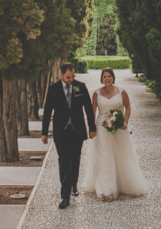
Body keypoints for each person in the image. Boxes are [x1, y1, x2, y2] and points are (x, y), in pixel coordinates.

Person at [80, 67, 148, 201]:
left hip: (118, 126)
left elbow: (128, 107)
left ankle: (123, 183)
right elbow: (92, 112)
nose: (107, 79)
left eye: (109, 76)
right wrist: (92, 128)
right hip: (102, 127)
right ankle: (106, 190)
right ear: (101, 79)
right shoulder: (96, 94)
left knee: (121, 154)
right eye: (105, 77)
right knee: (105, 157)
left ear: (113, 78)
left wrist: (125, 122)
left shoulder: (121, 91)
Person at [41, 62, 96, 209]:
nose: (70, 79)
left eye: (72, 77)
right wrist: (44, 132)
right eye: (68, 77)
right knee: (64, 160)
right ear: (61, 75)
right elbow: (47, 111)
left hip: (77, 129)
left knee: (75, 158)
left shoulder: (81, 87)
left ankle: (73, 185)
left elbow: (89, 108)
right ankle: (64, 196)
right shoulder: (53, 89)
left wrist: (92, 127)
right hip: (61, 130)